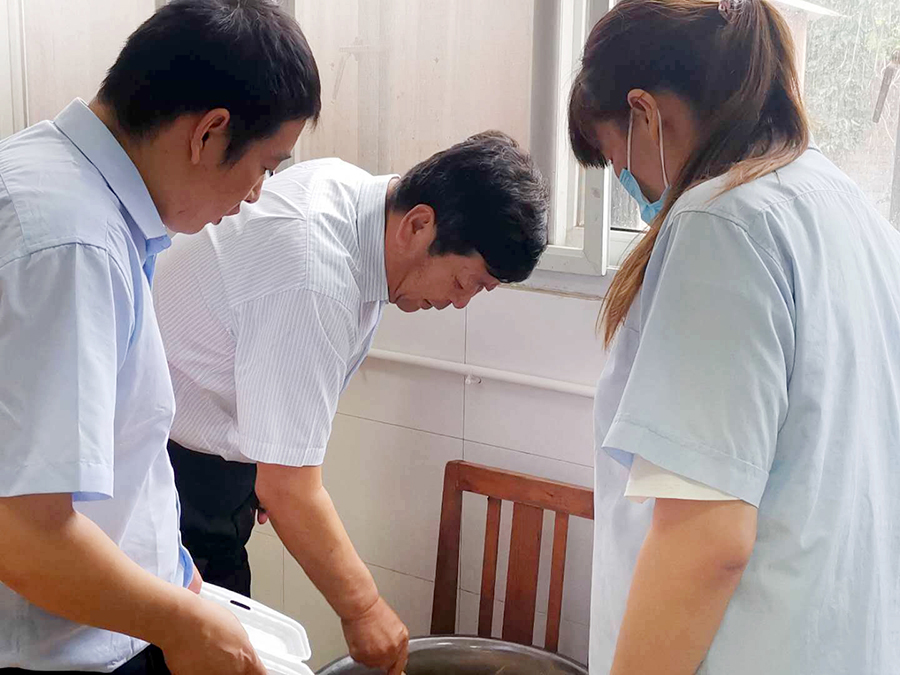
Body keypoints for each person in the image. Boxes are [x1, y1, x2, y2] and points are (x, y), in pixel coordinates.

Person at [567, 0, 900, 673]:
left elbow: (707, 540)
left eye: (617, 160)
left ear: (645, 113)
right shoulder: (851, 209)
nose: (631, 184)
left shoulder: (722, 223)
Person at [152, 130, 549, 675]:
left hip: (206, 456)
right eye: (464, 282)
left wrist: (270, 459)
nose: (458, 304)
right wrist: (364, 609)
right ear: (418, 225)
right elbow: (289, 489)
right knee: (193, 654)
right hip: (168, 473)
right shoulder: (313, 271)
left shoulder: (358, 201)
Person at [0, 1, 321, 673]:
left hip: (113, 613)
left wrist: (180, 577)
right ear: (208, 134)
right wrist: (182, 623)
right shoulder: (73, 245)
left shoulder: (62, 184)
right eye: (265, 166)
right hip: (61, 652)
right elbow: (23, 533)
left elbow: (121, 459)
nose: (257, 194)